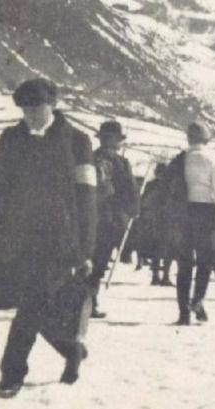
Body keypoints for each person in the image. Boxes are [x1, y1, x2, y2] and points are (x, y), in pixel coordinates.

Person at [0, 78, 97, 397]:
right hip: (18, 237)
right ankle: (70, 349)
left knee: (31, 303)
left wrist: (86, 248)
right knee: (33, 305)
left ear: (52, 104)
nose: (31, 114)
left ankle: (12, 374)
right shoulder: (11, 138)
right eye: (26, 108)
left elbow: (87, 197)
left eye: (37, 107)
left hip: (59, 240)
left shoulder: (78, 142)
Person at [161, 121, 215, 325]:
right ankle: (197, 300)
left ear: (189, 138)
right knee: (205, 261)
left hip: (183, 213)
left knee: (184, 263)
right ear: (206, 139)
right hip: (206, 213)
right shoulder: (211, 159)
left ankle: (183, 313)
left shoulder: (181, 159)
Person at [87, 121, 140, 318]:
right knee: (99, 261)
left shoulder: (90, 158)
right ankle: (89, 303)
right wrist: (133, 209)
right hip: (110, 220)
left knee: (90, 260)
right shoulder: (120, 163)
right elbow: (131, 190)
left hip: (91, 217)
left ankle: (87, 301)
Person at [139, 163, 173, 286]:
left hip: (154, 220)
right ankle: (164, 276)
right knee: (167, 248)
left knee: (157, 247)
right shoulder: (169, 185)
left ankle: (156, 276)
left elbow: (143, 202)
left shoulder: (150, 185)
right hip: (165, 220)